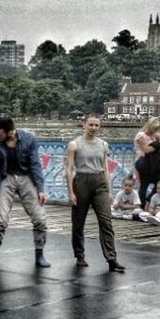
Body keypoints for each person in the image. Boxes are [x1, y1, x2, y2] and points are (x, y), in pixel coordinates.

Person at [65, 114, 126, 273]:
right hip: (82, 181)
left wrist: (109, 190)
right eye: (90, 125)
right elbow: (69, 169)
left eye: (96, 125)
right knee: (78, 222)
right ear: (83, 124)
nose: (93, 128)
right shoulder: (74, 144)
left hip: (99, 182)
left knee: (106, 221)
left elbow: (106, 168)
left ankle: (111, 258)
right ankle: (80, 255)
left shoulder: (103, 144)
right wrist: (71, 192)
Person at [0, 116, 50, 268]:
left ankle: (39, 253)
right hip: (6, 177)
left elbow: (35, 165)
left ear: (10, 132)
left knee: (39, 218)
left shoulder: (29, 138)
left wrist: (40, 189)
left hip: (25, 177)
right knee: (0, 219)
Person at [133, 117, 160, 207]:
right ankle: (142, 205)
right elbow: (146, 150)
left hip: (152, 163)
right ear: (150, 126)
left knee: (159, 181)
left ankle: (148, 199)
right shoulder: (141, 135)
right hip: (143, 162)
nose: (156, 131)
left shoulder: (152, 135)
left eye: (157, 129)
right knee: (144, 184)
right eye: (155, 128)